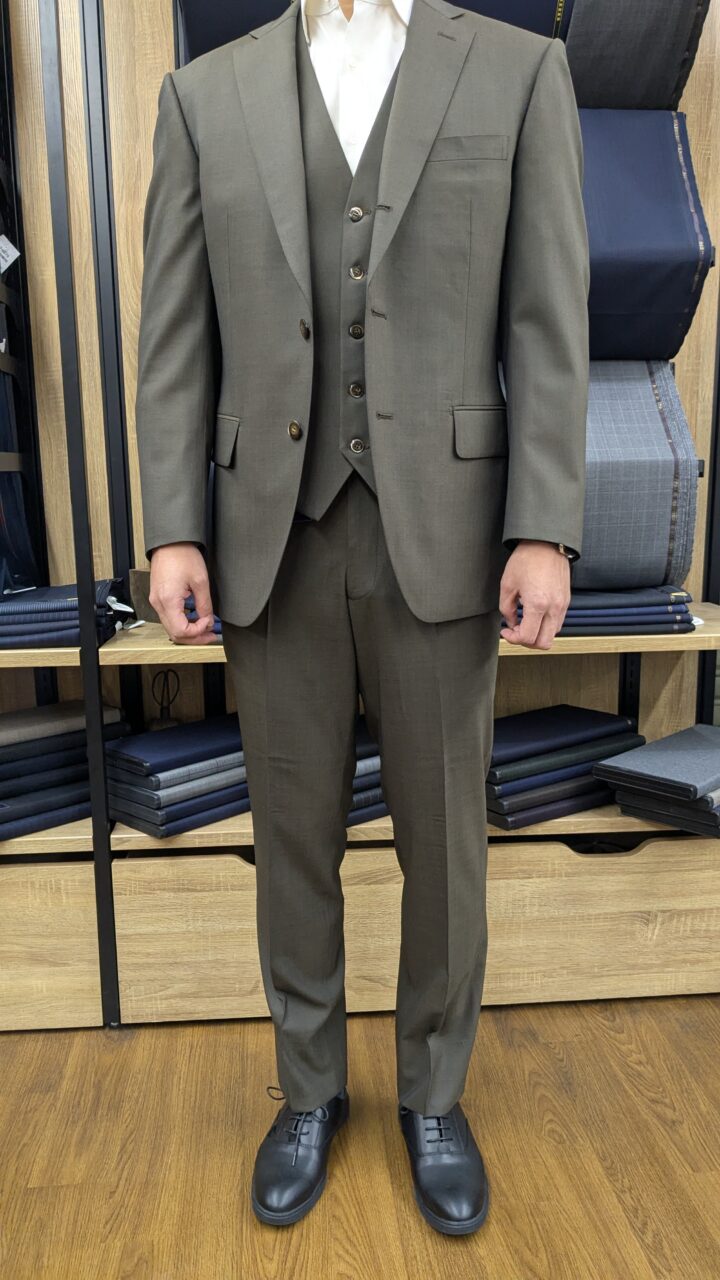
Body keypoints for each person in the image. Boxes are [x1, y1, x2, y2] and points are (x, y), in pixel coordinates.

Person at [135, 0, 589, 1236]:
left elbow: (550, 314)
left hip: (445, 527)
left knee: (443, 842)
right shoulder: (203, 95)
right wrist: (173, 527)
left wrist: (543, 524)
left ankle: (433, 1095)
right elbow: (175, 334)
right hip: (268, 533)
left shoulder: (519, 72)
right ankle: (310, 1088)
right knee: (292, 836)